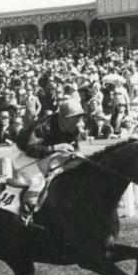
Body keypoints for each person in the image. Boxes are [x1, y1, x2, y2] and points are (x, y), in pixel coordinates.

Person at [8, 97, 85, 229]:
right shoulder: (44, 127)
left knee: (64, 175)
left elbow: (73, 147)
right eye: (75, 117)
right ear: (63, 118)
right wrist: (56, 148)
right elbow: (30, 149)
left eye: (80, 117)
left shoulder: (74, 127)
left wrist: (76, 154)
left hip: (45, 152)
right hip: (23, 153)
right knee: (38, 182)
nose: (79, 121)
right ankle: (25, 217)